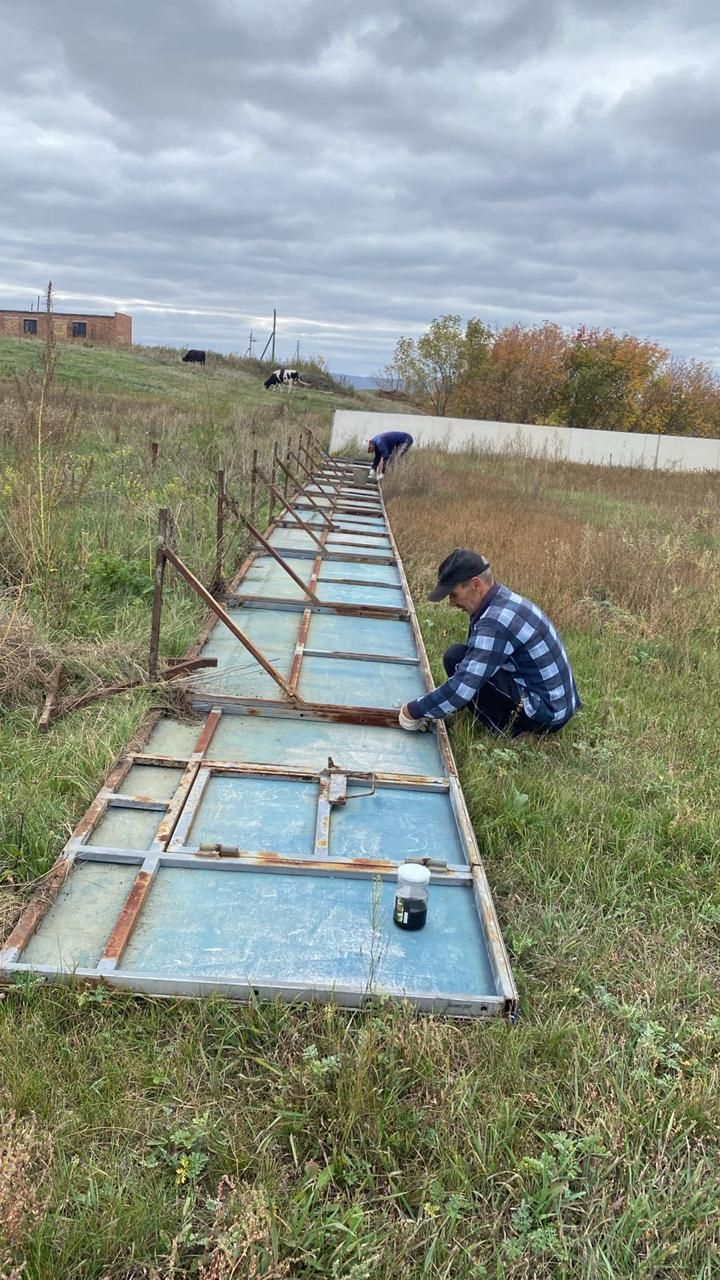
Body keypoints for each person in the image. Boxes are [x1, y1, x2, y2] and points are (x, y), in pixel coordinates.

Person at [399, 548, 581, 737]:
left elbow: (463, 687)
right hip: (557, 704)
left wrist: (412, 711)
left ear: (476, 585)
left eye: (453, 595)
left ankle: (513, 733)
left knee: (463, 670)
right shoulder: (502, 599)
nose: (452, 604)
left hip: (546, 714)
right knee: (457, 656)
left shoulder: (495, 622)